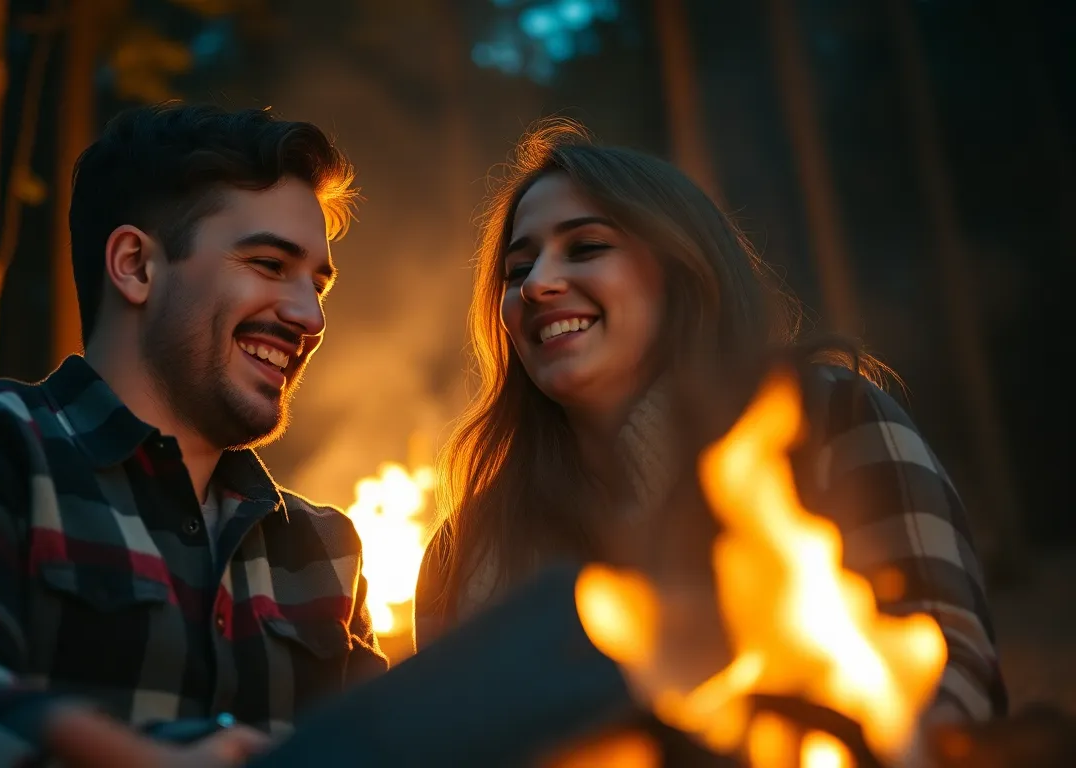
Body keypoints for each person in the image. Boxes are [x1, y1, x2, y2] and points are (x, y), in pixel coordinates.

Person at [0, 102, 389, 767]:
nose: (308, 315)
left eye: (319, 284)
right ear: (136, 265)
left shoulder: (325, 551)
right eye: (268, 264)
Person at [414, 119, 1007, 727]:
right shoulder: (462, 550)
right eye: (517, 271)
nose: (539, 284)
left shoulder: (831, 421)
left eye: (587, 247)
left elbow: (951, 677)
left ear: (681, 268)